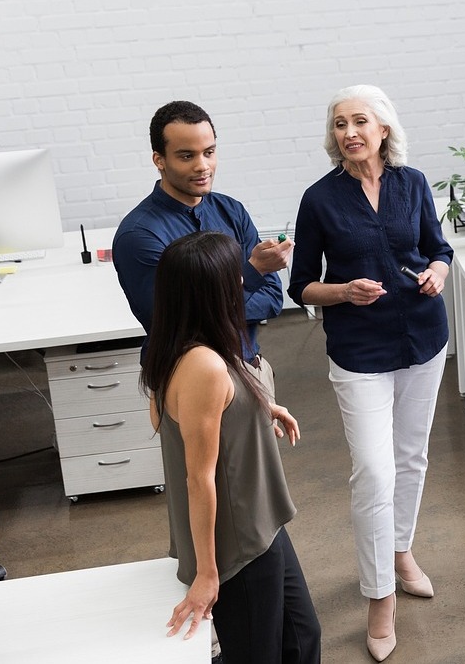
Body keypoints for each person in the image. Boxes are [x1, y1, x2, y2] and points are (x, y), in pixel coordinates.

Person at [287, 85, 452, 662]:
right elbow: (299, 283)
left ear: (384, 128)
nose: (349, 132)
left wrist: (436, 270)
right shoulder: (320, 199)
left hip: (424, 339)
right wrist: (343, 292)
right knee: (375, 474)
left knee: (411, 458)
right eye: (339, 124)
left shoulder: (412, 183)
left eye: (360, 121)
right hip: (359, 351)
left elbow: (440, 248)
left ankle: (401, 550)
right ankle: (380, 598)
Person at [140, 231, 320, 663]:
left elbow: (214, 411)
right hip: (237, 540)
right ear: (210, 293)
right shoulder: (203, 365)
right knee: (258, 654)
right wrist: (206, 573)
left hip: (262, 520)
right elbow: (198, 478)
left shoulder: (186, 346)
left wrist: (262, 411)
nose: (241, 284)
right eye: (232, 279)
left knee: (301, 636)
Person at [114, 100, 293, 374]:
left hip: (251, 368)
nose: (203, 166)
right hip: (187, 381)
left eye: (209, 152)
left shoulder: (231, 211)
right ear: (159, 159)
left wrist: (211, 307)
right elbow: (179, 325)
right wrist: (253, 272)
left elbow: (271, 300)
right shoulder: (139, 235)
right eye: (187, 156)